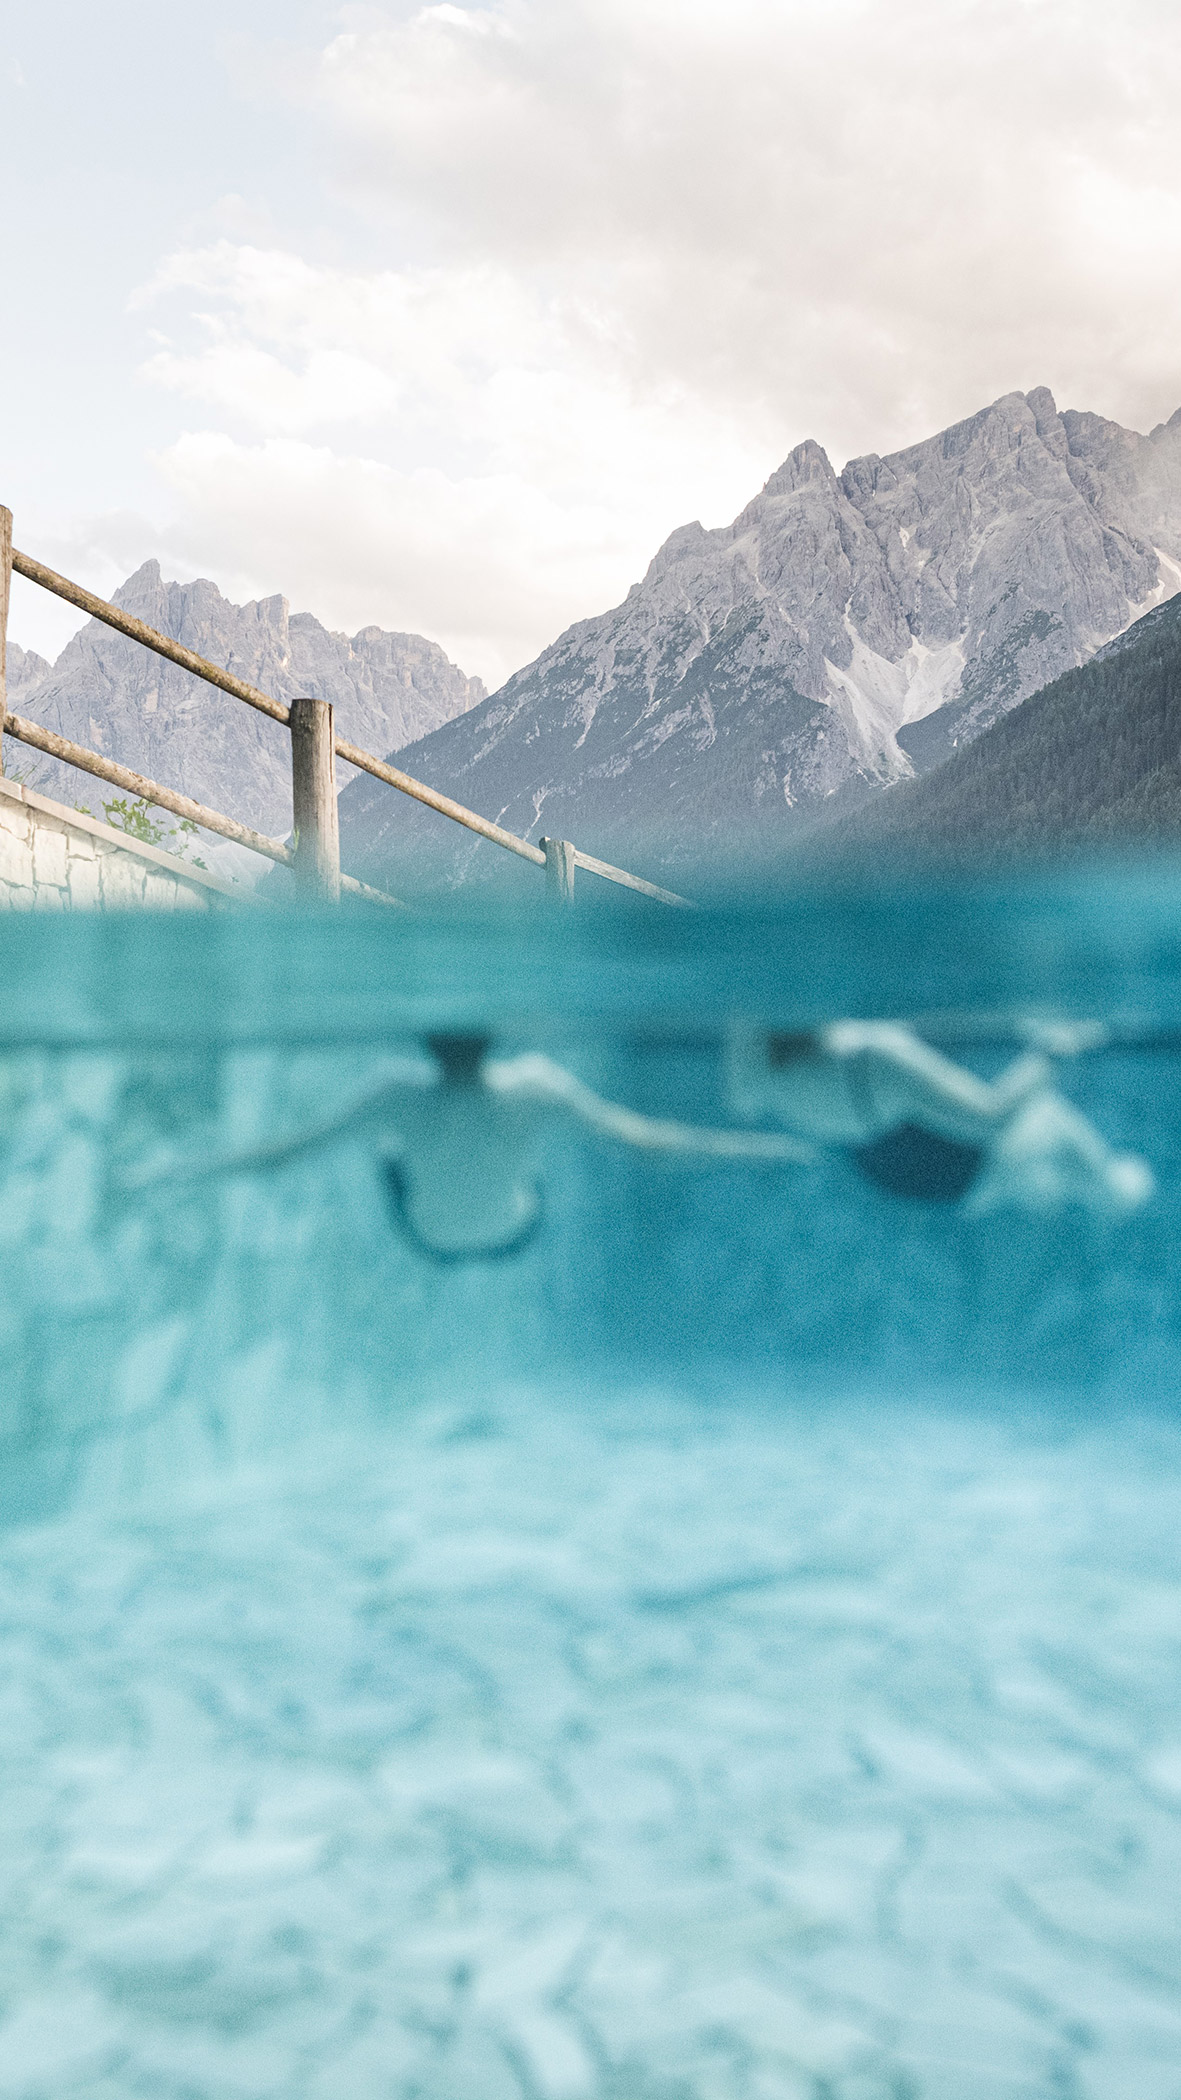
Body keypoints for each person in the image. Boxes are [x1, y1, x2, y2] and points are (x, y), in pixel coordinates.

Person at [138, 1033, 813, 1263]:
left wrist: (168, 1173)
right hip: (512, 1226)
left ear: (425, 1044)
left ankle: (412, 1166)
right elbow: (650, 1144)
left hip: (428, 1233)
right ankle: (503, 1173)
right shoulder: (536, 1085)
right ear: (496, 1040)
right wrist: (764, 1148)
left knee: (385, 1152)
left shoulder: (394, 1093)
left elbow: (283, 1153)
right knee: (530, 1152)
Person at [725, 1020, 1153, 1213]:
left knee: (1033, 1173)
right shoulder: (874, 1056)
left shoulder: (761, 1074)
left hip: (887, 1174)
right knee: (1049, 1117)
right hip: (950, 1168)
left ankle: (1043, 1190)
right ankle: (1113, 1194)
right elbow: (993, 1116)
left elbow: (741, 1102)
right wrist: (1057, 1047)